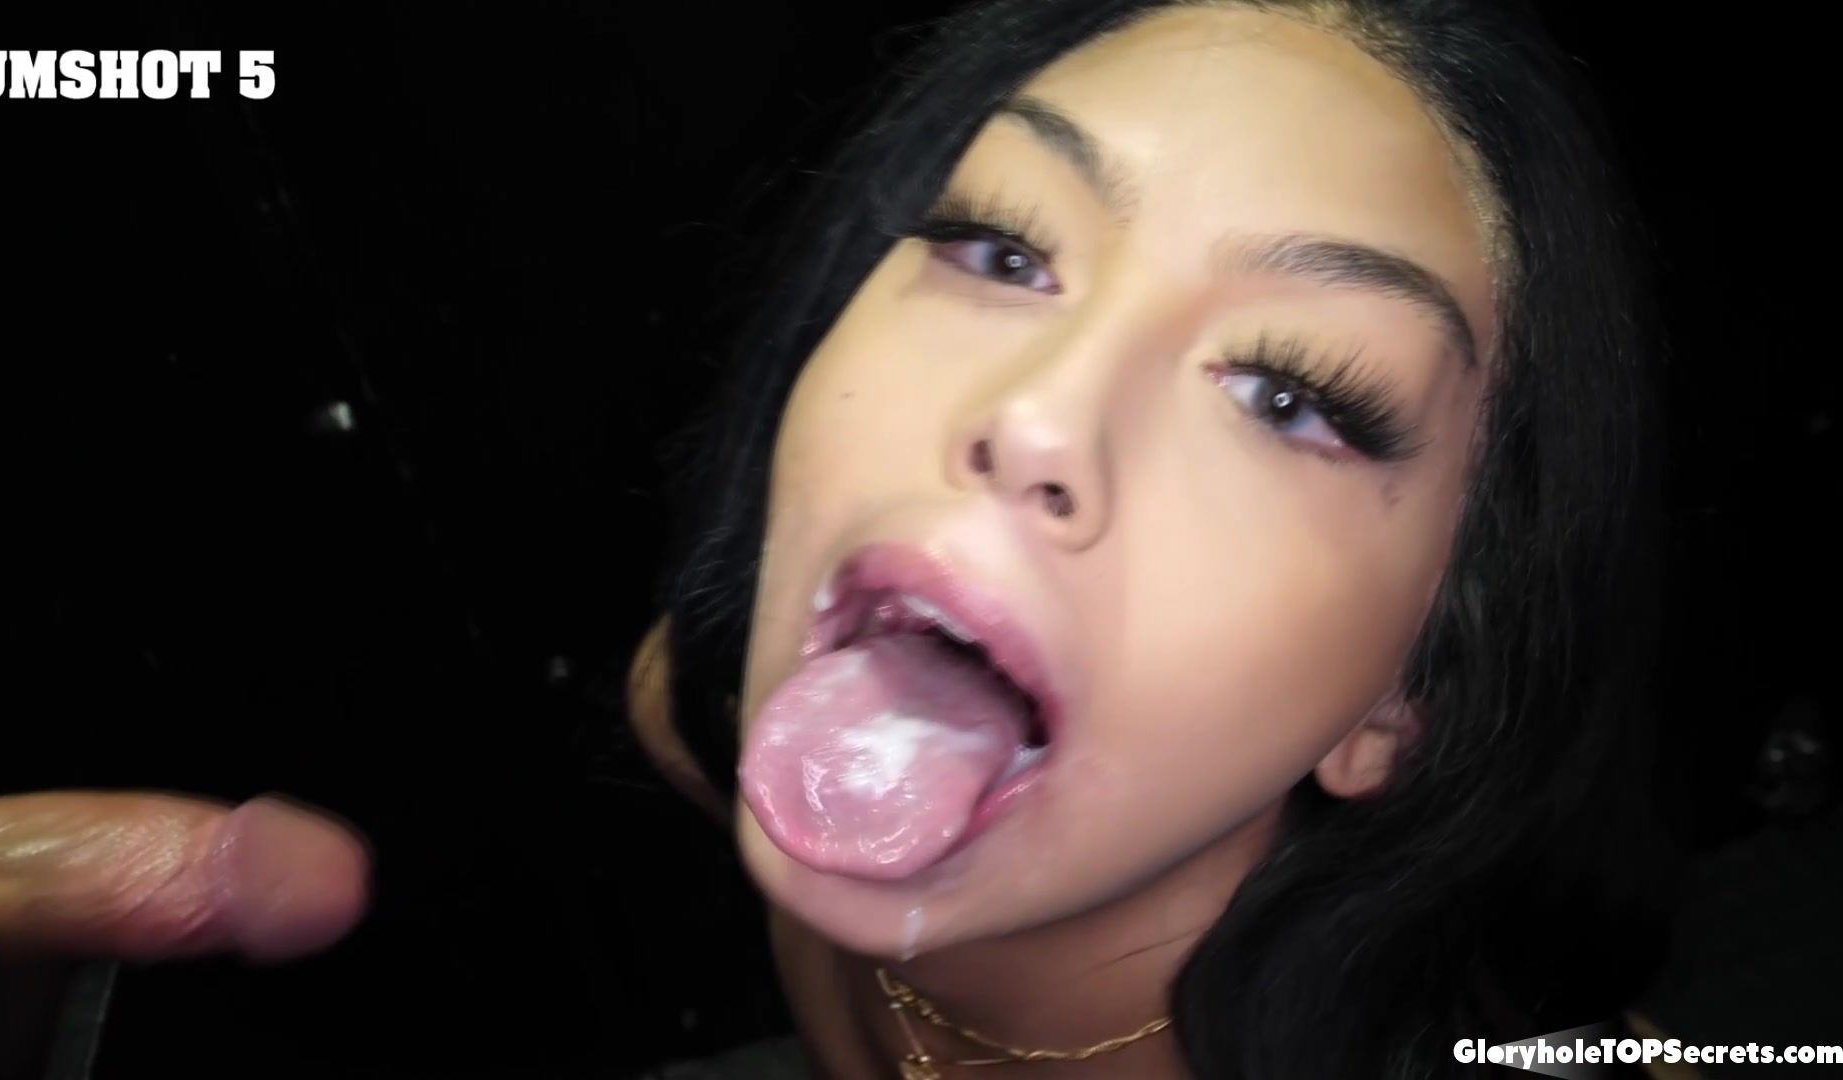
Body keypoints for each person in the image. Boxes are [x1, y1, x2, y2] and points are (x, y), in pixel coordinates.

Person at [630, 0, 1673, 1076]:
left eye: (1282, 396)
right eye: (1000, 250)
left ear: (1407, 699)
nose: (1035, 418)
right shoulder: (698, 712)